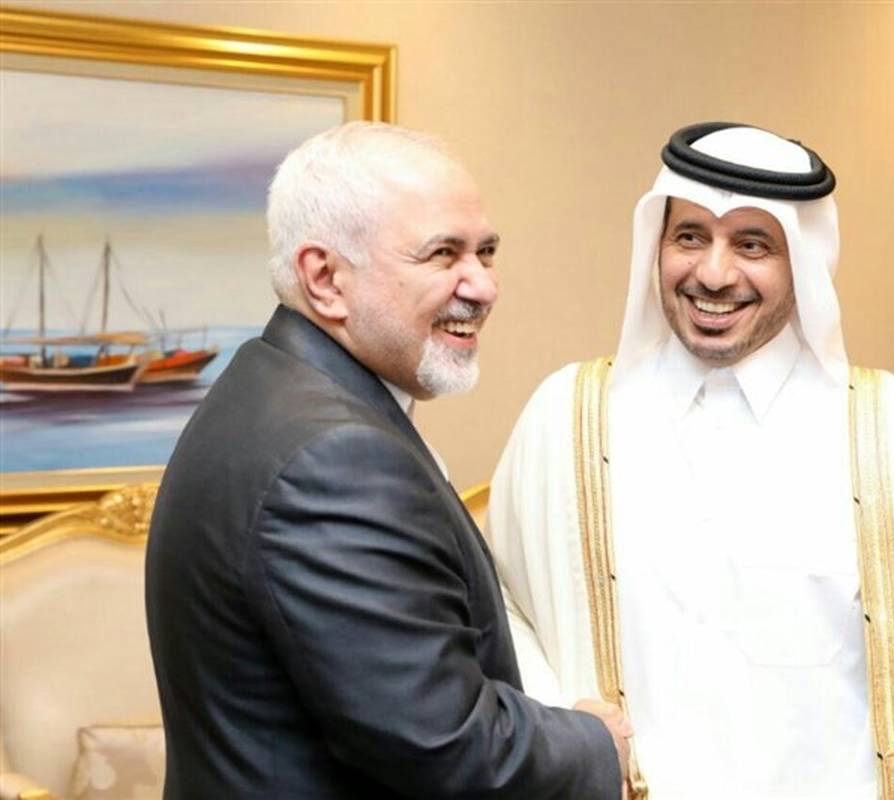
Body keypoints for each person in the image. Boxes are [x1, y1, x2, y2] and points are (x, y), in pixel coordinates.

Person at [488, 122, 894, 799]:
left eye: (752, 244)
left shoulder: (891, 434)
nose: (713, 274)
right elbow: (502, 621)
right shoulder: (568, 420)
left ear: (803, 260)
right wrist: (574, 745)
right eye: (689, 237)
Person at [145, 122, 628, 799]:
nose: (482, 286)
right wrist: (594, 744)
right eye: (442, 254)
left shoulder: (269, 386)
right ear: (325, 279)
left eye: (486, 252)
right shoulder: (335, 458)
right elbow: (444, 744)